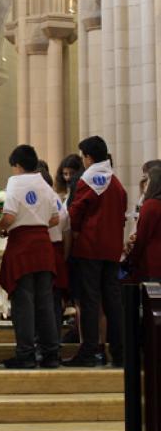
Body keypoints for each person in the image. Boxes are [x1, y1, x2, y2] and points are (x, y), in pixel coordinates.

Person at [63, 136, 127, 368]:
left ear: (88, 157)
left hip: (90, 248)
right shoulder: (116, 182)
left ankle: (88, 351)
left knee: (90, 301)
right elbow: (122, 212)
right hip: (111, 250)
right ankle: (120, 353)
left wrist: (77, 232)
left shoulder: (87, 180)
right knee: (113, 301)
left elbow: (76, 211)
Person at [0, 145, 60, 369]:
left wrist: (0, 227)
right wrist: (37, 220)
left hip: (23, 247)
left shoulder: (16, 182)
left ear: (18, 165)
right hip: (43, 246)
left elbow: (9, 215)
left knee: (23, 304)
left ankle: (26, 354)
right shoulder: (44, 182)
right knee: (45, 303)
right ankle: (51, 354)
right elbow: (55, 218)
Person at [38, 161, 70, 340]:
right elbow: (67, 232)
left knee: (44, 302)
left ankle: (45, 344)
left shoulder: (43, 200)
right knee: (54, 302)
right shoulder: (57, 200)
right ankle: (53, 343)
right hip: (57, 252)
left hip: (46, 251)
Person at [129, 166, 161, 282]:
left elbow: (142, 238)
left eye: (147, 181)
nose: (144, 185)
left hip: (153, 264)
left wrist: (133, 259)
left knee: (154, 299)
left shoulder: (150, 205)